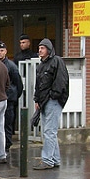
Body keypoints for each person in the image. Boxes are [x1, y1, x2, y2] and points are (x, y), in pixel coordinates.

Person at [33, 38, 69, 170]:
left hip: (52, 101)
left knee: (49, 131)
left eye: (42, 48)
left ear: (49, 49)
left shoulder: (56, 61)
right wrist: (37, 99)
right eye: (39, 48)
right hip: (44, 101)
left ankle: (47, 160)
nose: (40, 50)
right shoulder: (41, 64)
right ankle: (54, 159)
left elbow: (61, 81)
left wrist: (54, 96)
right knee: (49, 131)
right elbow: (38, 84)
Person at [0, 41, 24, 155]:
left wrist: (14, 97)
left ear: (6, 52)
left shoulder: (11, 66)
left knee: (7, 124)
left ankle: (6, 146)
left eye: (1, 51)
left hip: (9, 99)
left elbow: (18, 83)